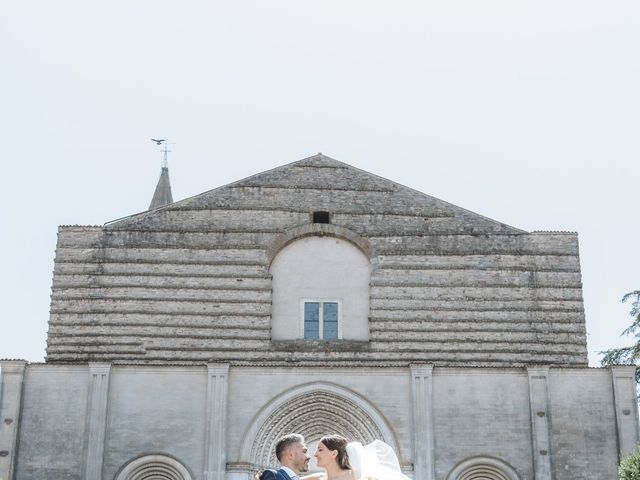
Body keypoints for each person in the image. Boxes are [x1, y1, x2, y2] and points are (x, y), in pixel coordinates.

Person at [308, 434, 411, 480]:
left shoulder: (358, 476)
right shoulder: (317, 478)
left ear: (334, 453)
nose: (315, 454)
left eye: (320, 450)